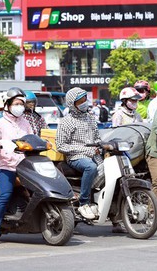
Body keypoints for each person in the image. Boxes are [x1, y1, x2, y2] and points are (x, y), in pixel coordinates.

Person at [0, 87, 33, 245]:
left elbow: (32, 139)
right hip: (5, 165)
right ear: (8, 104)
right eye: (16, 103)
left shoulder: (26, 122)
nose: (20, 106)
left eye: (22, 103)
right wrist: (3, 143)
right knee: (5, 194)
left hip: (24, 165)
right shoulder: (0, 123)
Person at [56, 87, 101, 220]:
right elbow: (61, 146)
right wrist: (85, 150)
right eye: (80, 101)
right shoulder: (66, 122)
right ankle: (84, 203)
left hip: (95, 155)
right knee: (90, 167)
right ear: (72, 104)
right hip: (76, 157)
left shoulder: (91, 118)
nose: (84, 103)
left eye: (84, 99)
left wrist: (101, 145)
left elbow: (97, 137)